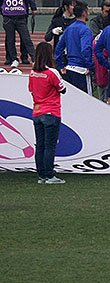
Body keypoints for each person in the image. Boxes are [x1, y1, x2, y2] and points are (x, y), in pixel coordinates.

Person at [28, 41, 66, 184]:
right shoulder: (52, 72)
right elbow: (62, 89)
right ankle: (49, 175)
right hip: (51, 111)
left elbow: (31, 90)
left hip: (37, 111)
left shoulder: (33, 72)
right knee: (50, 146)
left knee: (40, 145)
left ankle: (42, 175)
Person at [53, 1, 93, 94]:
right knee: (86, 99)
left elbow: (58, 49)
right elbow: (85, 49)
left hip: (69, 68)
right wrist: (90, 66)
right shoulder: (85, 30)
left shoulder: (69, 29)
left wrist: (60, 65)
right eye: (87, 11)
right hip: (81, 70)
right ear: (84, 13)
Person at [1, 0, 33, 67]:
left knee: (26, 38)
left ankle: (34, 58)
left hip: (21, 16)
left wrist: (33, 7)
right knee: (10, 40)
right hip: (8, 17)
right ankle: (14, 59)